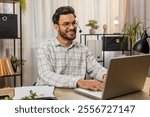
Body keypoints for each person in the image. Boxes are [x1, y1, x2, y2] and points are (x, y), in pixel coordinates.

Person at [36, 6, 107, 91]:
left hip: (75, 95)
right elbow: (46, 75)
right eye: (66, 24)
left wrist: (106, 76)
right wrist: (79, 82)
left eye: (73, 23)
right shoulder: (44, 47)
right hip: (48, 95)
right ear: (56, 27)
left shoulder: (83, 49)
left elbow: (96, 69)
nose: (72, 27)